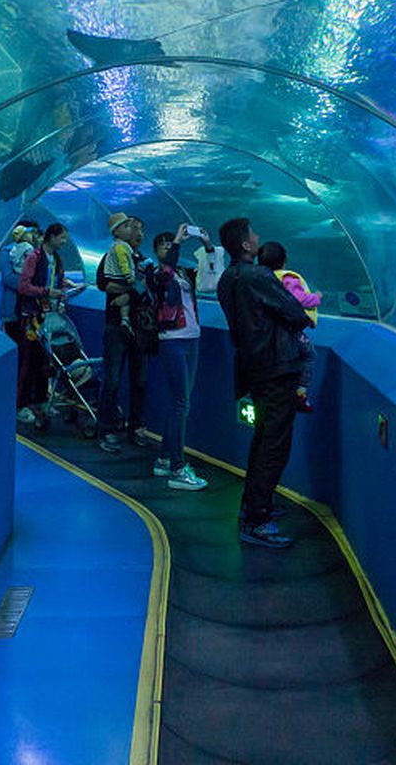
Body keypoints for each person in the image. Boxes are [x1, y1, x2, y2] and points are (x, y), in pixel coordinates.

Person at [217, 217, 314, 548]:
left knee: (262, 439)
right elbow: (295, 311)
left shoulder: (227, 278)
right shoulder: (257, 276)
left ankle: (253, 506)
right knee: (274, 444)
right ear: (246, 245)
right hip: (276, 367)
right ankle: (257, 518)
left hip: (252, 368)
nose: (258, 237)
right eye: (253, 234)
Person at [147, 224, 210, 490]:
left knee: (179, 403)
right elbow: (164, 273)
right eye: (162, 245)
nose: (167, 247)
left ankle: (163, 458)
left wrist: (207, 246)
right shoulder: (153, 274)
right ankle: (177, 467)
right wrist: (176, 240)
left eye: (168, 244)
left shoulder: (184, 273)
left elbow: (210, 280)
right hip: (172, 340)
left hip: (191, 337)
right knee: (180, 404)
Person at [95, 211, 153, 454]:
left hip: (141, 328)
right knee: (113, 379)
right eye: (131, 227)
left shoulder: (144, 260)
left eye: (139, 228)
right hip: (116, 326)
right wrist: (134, 288)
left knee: (140, 380)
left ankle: (137, 426)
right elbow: (104, 284)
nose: (137, 232)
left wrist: (129, 292)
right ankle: (106, 429)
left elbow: (149, 288)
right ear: (120, 232)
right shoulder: (112, 255)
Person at [16, 222, 83, 428]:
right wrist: (46, 292)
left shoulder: (57, 259)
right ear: (51, 237)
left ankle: (41, 400)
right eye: (62, 237)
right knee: (28, 360)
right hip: (32, 317)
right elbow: (23, 286)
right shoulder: (34, 257)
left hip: (48, 315)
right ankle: (22, 405)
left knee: (46, 360)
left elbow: (56, 280)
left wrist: (64, 288)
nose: (64, 241)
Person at [257, 241, 319, 414]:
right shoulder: (288, 279)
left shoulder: (259, 279)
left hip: (268, 333)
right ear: (284, 261)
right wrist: (316, 297)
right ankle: (301, 392)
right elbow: (298, 299)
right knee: (310, 355)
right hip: (290, 333)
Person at [0, 220, 44, 426]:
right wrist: (30, 286)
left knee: (34, 358)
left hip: (33, 312)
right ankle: (17, 404)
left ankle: (34, 399)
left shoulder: (36, 253)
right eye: (31, 232)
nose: (33, 236)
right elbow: (7, 278)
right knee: (19, 359)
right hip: (14, 312)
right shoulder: (7, 251)